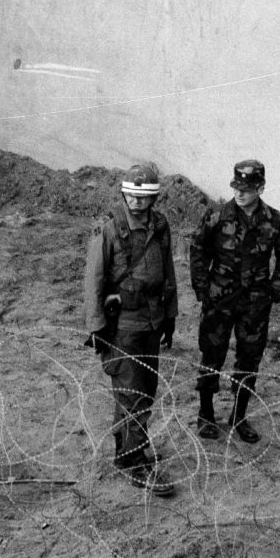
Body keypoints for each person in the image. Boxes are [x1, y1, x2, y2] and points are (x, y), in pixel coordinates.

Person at [83, 162, 178, 495]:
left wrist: (170, 315)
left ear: (153, 198)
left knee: (144, 390)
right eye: (130, 196)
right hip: (122, 326)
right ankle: (133, 459)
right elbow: (93, 279)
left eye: (142, 198)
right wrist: (96, 326)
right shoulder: (109, 228)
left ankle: (128, 449)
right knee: (132, 393)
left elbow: (167, 273)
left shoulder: (161, 225)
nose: (135, 203)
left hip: (151, 322)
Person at [189, 159, 280, 443]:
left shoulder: (275, 221)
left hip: (255, 303)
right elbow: (198, 249)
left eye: (247, 189)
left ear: (260, 188)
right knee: (212, 354)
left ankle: (239, 416)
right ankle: (206, 414)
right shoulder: (217, 217)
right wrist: (202, 289)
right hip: (219, 299)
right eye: (237, 187)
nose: (240, 193)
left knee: (249, 358)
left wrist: (277, 288)